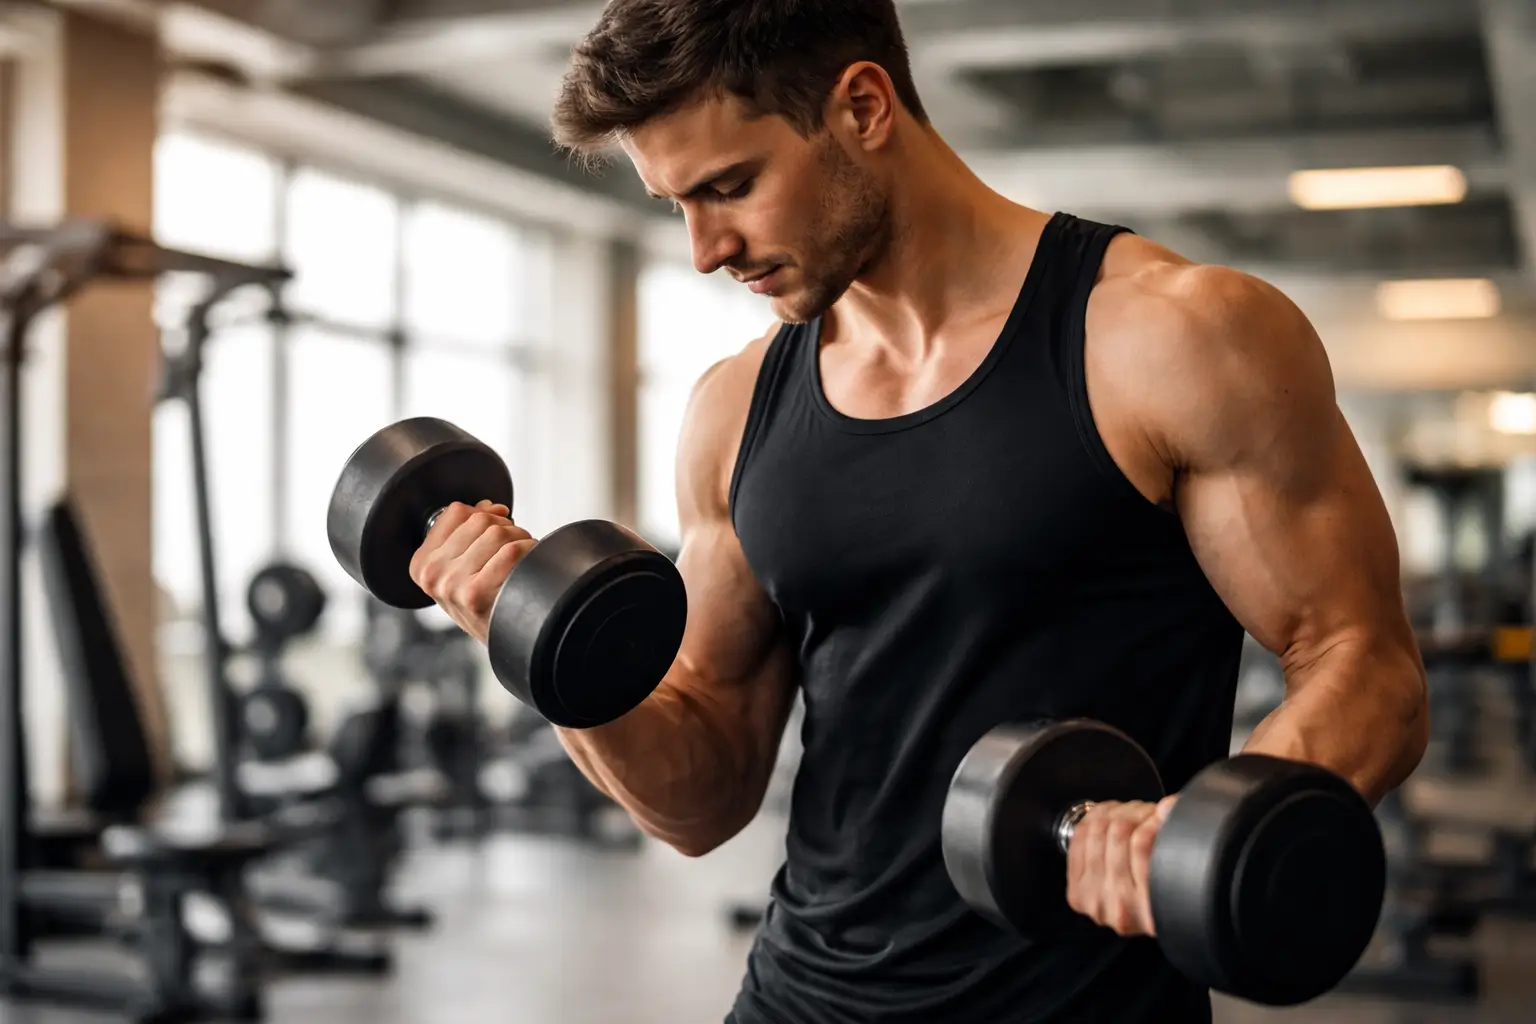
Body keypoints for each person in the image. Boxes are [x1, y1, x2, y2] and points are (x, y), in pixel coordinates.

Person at [409, 1, 1430, 1021]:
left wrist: (1202, 827)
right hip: (798, 995)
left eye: (729, 186)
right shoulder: (736, 409)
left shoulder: (1170, 339)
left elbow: (1364, 664)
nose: (704, 250)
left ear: (861, 106)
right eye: (676, 203)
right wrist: (539, 645)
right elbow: (702, 796)